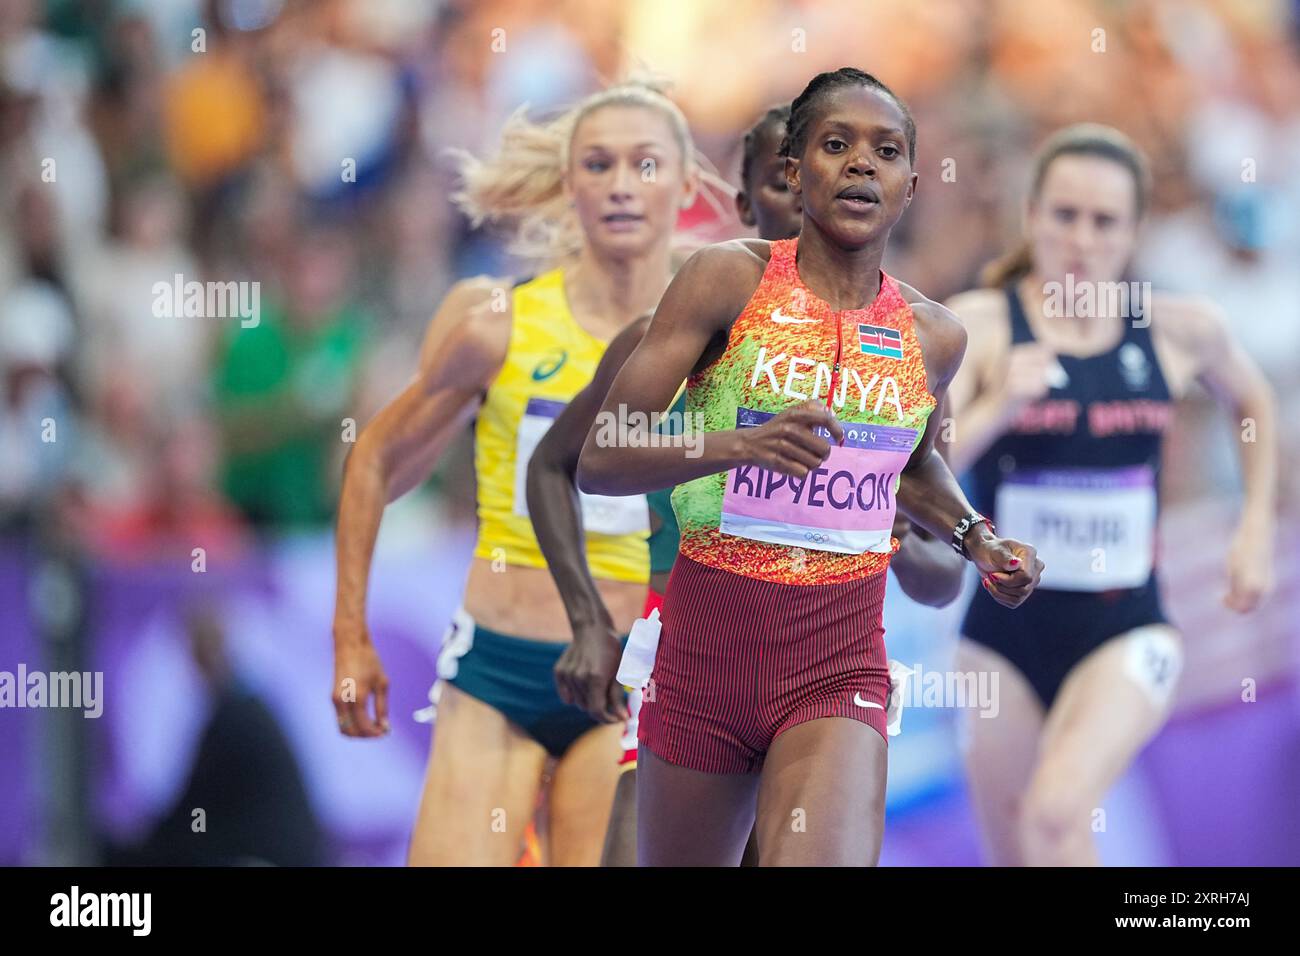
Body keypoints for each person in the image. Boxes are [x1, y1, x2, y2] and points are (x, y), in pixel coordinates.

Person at [576, 68, 1043, 866]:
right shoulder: (727, 279)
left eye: (885, 152)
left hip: (838, 660)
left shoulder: (934, 336)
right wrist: (735, 446)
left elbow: (915, 464)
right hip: (705, 653)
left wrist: (976, 536)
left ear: (909, 184)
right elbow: (600, 455)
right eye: (837, 145)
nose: (862, 165)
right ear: (795, 173)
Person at [330, 82, 703, 866]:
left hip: (635, 676)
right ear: (570, 186)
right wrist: (351, 633)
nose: (622, 185)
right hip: (500, 668)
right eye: (598, 165)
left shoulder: (718, 340)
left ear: (686, 185)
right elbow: (374, 460)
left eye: (645, 164)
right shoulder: (495, 322)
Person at [944, 123, 1277, 866]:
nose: (1082, 240)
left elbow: (1252, 405)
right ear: (1032, 216)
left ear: (1134, 231)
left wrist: (1252, 529)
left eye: (1104, 222)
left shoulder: (1178, 328)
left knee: (1058, 818)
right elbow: (925, 465)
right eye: (1065, 216)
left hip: (1126, 625)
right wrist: (1000, 403)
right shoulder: (982, 325)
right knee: (1017, 851)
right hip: (1001, 638)